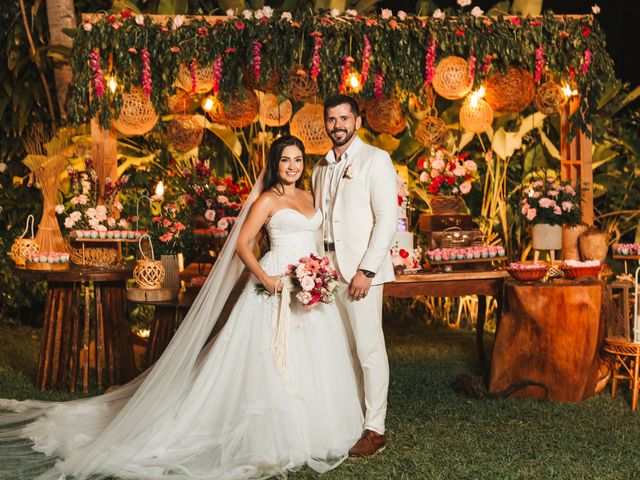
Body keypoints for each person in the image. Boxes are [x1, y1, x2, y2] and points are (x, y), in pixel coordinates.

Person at [0, 135, 363, 480]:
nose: (292, 165)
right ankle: (269, 430)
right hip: (275, 280)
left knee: (315, 353)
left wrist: (317, 273)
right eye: (285, 159)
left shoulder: (309, 196)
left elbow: (316, 235)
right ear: (275, 163)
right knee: (267, 358)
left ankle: (315, 423)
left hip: (309, 280)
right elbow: (242, 244)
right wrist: (266, 279)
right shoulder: (266, 199)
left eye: (298, 159)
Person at [312, 94, 398, 457]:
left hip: (360, 271)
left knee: (368, 349)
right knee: (341, 349)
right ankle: (351, 418)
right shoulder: (319, 168)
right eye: (332, 119)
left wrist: (366, 270)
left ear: (357, 122)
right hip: (326, 271)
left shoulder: (376, 160)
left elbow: (387, 220)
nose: (338, 125)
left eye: (344, 118)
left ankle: (374, 429)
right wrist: (313, 269)